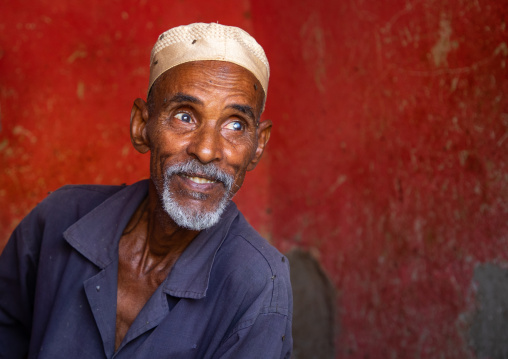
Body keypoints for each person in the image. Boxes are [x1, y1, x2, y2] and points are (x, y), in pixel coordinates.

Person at [0, 23, 293, 358]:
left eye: (236, 125)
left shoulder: (258, 284)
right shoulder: (60, 219)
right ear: (142, 126)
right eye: (185, 116)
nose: (207, 150)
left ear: (258, 145)